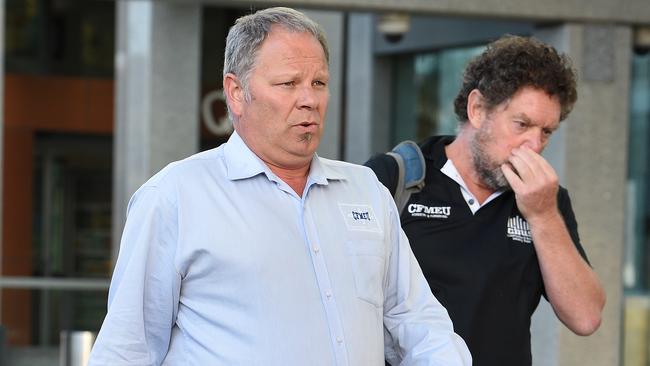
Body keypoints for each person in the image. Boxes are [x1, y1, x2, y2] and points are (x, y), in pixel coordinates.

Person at [88, 7, 471, 366]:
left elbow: (416, 322)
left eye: (319, 83)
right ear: (237, 92)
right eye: (288, 83)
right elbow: (127, 349)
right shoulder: (176, 196)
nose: (309, 100)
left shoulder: (365, 190)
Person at [366, 35, 606, 366]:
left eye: (546, 132)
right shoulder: (396, 179)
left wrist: (543, 215)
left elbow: (586, 317)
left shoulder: (545, 201)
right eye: (522, 124)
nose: (534, 145)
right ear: (477, 109)